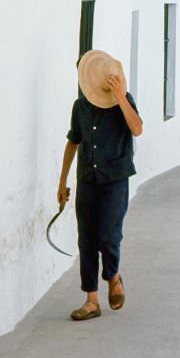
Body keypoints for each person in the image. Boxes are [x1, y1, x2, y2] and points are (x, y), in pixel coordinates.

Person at [57, 49, 143, 321]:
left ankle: (113, 276)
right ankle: (91, 300)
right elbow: (73, 141)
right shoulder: (80, 106)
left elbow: (137, 128)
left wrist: (119, 97)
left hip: (114, 179)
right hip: (87, 179)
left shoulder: (124, 101)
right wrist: (61, 181)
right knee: (87, 239)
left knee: (108, 235)